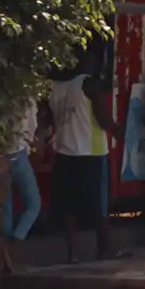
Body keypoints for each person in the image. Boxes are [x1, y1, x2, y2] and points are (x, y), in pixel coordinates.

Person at [49, 48, 121, 263]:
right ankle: (104, 249)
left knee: (68, 206)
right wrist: (121, 131)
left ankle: (72, 252)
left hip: (64, 151)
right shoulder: (90, 84)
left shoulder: (56, 87)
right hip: (91, 152)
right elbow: (103, 120)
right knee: (100, 204)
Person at [1, 94, 43, 270]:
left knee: (6, 208)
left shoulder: (0, 96)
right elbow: (32, 128)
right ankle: (13, 247)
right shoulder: (28, 98)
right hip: (17, 153)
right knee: (34, 204)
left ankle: (5, 255)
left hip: (0, 154)